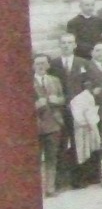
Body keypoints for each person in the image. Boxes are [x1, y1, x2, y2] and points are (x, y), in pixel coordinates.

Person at [34, 55, 65, 196]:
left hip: (53, 124)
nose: (41, 66)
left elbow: (63, 99)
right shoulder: (26, 83)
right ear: (33, 66)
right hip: (36, 126)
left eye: (44, 63)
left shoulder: (55, 80)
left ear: (48, 65)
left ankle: (50, 188)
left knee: (52, 157)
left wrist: (57, 100)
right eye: (38, 63)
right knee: (35, 159)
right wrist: (34, 105)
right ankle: (36, 190)